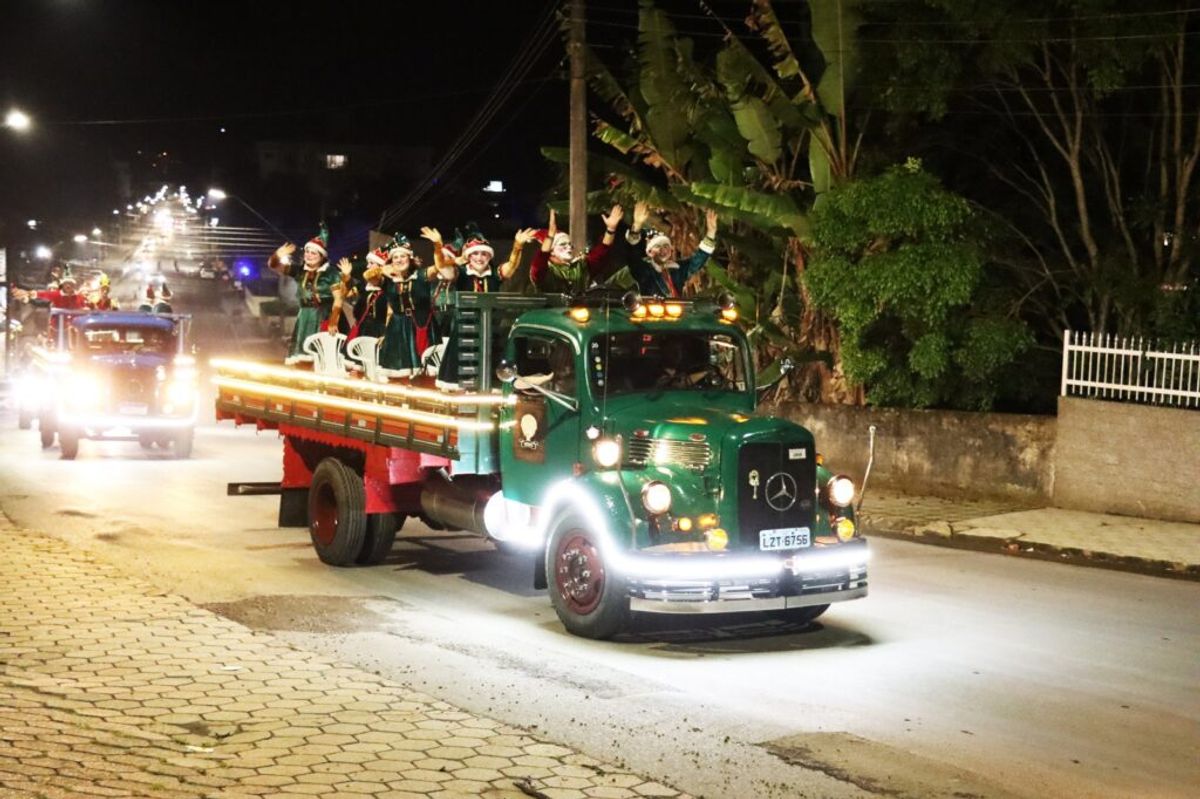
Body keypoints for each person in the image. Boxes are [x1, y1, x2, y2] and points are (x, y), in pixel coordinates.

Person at [268, 227, 349, 365]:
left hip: (325, 316)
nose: (309, 255)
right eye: (307, 252)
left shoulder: (330, 273)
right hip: (305, 317)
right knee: (302, 358)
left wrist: (333, 320)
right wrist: (277, 255)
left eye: (313, 253)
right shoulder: (300, 271)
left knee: (324, 358)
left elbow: (338, 298)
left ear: (321, 256)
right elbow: (274, 266)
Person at [624, 201, 719, 298]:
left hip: (675, 311)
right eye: (657, 246)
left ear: (671, 251)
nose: (663, 250)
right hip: (650, 311)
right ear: (650, 252)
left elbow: (698, 260)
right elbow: (632, 254)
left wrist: (711, 233)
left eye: (666, 246)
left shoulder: (678, 269)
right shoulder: (644, 270)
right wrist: (637, 225)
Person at [529, 206, 623, 294]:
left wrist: (611, 229)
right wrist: (550, 237)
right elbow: (539, 262)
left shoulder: (582, 266)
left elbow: (603, 250)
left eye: (570, 244)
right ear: (552, 251)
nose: (569, 247)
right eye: (563, 244)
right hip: (551, 311)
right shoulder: (546, 270)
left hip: (581, 310)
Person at [12, 274, 91, 338]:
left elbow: (84, 308)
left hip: (74, 326)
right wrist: (28, 294)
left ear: (74, 286)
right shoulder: (56, 295)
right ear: (63, 285)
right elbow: (42, 294)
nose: (68, 286)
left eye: (70, 284)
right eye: (66, 284)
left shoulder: (79, 297)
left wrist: (84, 310)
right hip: (57, 325)